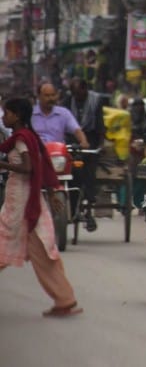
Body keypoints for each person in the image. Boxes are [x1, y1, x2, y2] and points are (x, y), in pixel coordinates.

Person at [0, 97, 82, 318]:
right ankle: (64, 298)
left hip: (21, 202)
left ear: (17, 116)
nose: (4, 117)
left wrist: (3, 164)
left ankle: (64, 299)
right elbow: (42, 164)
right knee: (43, 251)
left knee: (6, 242)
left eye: (7, 113)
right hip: (30, 199)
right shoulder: (27, 136)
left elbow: (28, 168)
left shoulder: (21, 139)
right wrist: (52, 191)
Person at [32, 83, 92, 228]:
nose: (50, 98)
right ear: (39, 96)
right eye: (46, 95)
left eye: (53, 95)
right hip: (37, 157)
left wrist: (83, 141)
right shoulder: (31, 114)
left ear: (57, 96)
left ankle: (76, 209)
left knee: (79, 174)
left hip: (58, 157)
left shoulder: (63, 113)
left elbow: (76, 130)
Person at [66, 77, 107, 231]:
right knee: (70, 173)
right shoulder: (67, 101)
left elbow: (100, 124)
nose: (76, 96)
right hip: (72, 140)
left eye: (78, 93)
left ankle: (89, 205)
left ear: (85, 89)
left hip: (91, 140)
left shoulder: (96, 101)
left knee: (90, 171)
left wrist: (101, 144)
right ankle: (70, 205)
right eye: (74, 93)